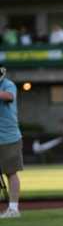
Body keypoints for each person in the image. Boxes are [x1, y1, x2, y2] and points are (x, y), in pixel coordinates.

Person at [0, 66, 23, 218]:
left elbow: (9, 97)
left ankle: (14, 209)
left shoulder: (8, 84)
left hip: (9, 137)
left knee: (11, 173)